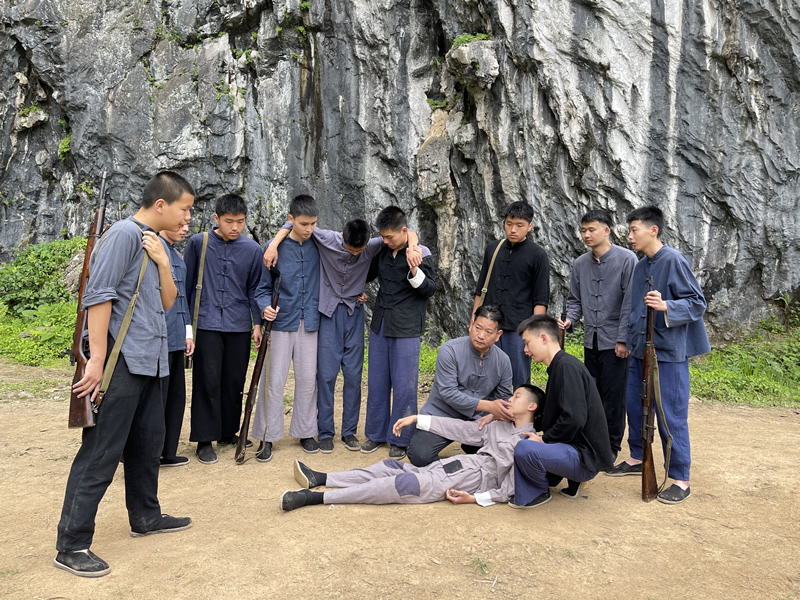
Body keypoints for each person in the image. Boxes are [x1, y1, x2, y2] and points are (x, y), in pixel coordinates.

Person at [54, 171, 195, 578]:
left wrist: (164, 264)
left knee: (148, 446)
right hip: (120, 363)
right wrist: (96, 359)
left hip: (151, 361)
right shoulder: (122, 235)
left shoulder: (155, 243)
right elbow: (98, 296)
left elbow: (167, 303)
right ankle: (72, 544)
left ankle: (146, 516)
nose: (188, 217)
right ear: (161, 205)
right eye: (185, 209)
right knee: (101, 452)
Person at [263, 219, 419, 453]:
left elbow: (404, 231)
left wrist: (413, 245)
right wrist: (274, 244)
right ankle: (326, 432)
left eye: (359, 251)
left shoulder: (373, 245)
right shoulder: (327, 239)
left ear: (368, 242)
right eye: (350, 249)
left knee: (354, 376)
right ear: (342, 237)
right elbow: (294, 221)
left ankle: (349, 431)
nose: (355, 254)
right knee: (326, 376)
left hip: (354, 314)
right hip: (328, 314)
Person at [278, 385, 544, 511]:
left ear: (531, 406)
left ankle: (315, 498)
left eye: (516, 397)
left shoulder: (529, 444)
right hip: (451, 466)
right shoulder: (496, 425)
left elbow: (508, 489)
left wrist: (475, 499)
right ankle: (322, 478)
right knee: (389, 466)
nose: (509, 400)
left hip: (469, 479)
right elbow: (458, 428)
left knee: (400, 484)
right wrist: (418, 419)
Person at [606, 206, 710, 505]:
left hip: (668, 354)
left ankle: (680, 478)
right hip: (640, 349)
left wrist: (667, 306)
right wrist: (626, 340)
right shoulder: (640, 266)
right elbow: (633, 308)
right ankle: (638, 457)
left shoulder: (673, 259)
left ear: (653, 230)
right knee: (636, 408)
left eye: (634, 230)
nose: (630, 236)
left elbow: (697, 302)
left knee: (669, 416)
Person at [184, 194, 263, 465]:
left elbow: (254, 289)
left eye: (240, 221)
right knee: (207, 380)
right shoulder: (199, 243)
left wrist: (257, 323)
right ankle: (204, 439)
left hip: (238, 324)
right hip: (206, 323)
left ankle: (228, 432)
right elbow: (186, 286)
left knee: (234, 380)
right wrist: (187, 327)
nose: (235, 227)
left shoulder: (252, 250)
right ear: (216, 218)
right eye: (229, 221)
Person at [510, 315, 616, 508]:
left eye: (527, 343)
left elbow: (573, 418)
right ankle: (570, 481)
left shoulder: (566, 367)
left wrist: (544, 439)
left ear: (543, 338)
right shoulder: (560, 366)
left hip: (583, 457)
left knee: (524, 448)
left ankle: (537, 493)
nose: (525, 350)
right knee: (530, 449)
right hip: (576, 450)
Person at [559, 209, 636, 459]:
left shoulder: (627, 259)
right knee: (591, 393)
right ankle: (594, 443)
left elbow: (630, 303)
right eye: (583, 230)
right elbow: (574, 300)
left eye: (591, 229)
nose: (586, 235)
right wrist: (570, 320)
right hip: (590, 340)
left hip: (615, 342)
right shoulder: (580, 263)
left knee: (614, 396)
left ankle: (611, 448)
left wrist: (623, 339)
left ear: (606, 230)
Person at [361, 206, 436, 459]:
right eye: (382, 236)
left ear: (404, 231)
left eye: (389, 236)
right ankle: (375, 434)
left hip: (407, 326)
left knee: (405, 385)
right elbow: (366, 275)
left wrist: (414, 270)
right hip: (381, 323)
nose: (385, 240)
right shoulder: (382, 251)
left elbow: (430, 289)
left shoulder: (421, 253)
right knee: (377, 382)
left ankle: (400, 439)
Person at [251, 195, 321, 460]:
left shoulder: (320, 244)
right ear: (290, 219)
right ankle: (267, 436)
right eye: (303, 224)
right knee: (273, 380)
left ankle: (306, 432)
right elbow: (262, 288)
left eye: (313, 223)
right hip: (279, 323)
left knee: (307, 380)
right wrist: (264, 308)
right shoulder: (273, 248)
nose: (309, 229)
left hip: (310, 321)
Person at [406, 304, 514, 467]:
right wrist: (489, 406)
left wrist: (493, 414)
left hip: (477, 420)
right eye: (478, 328)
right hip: (441, 414)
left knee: (502, 455)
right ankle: (451, 470)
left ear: (498, 335)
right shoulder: (449, 350)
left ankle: (470, 447)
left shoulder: (503, 360)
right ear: (471, 325)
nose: (481, 335)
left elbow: (504, 398)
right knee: (419, 456)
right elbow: (448, 393)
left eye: (488, 332)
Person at [472, 201, 550, 389]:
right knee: (486, 375)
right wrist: (474, 322)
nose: (513, 229)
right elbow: (481, 289)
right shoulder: (493, 249)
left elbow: (540, 299)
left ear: (530, 226)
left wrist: (533, 334)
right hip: (489, 325)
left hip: (519, 329)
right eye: (509, 224)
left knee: (518, 378)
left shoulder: (538, 255)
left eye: (519, 225)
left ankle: (520, 408)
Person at [158, 221, 195, 467]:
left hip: (176, 336)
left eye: (186, 225)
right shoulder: (155, 248)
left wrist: (187, 332)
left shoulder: (176, 254)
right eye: (180, 224)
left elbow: (183, 298)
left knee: (175, 398)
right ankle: (148, 453)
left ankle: (167, 451)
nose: (184, 229)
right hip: (159, 335)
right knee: (157, 400)